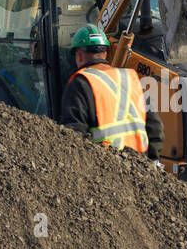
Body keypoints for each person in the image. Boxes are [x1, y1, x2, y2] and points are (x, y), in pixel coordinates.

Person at [59, 25, 164, 160]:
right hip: (138, 169)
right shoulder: (130, 78)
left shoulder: (81, 83)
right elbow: (155, 126)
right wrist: (152, 162)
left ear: (79, 55)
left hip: (104, 172)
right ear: (106, 53)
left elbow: (73, 136)